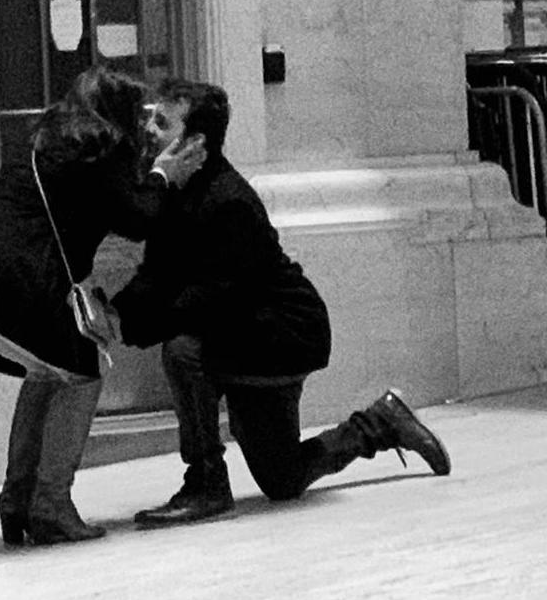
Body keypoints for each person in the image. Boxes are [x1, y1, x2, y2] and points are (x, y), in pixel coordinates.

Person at [110, 78, 451, 526]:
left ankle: (206, 482)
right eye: (150, 119)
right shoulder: (175, 189)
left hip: (281, 334)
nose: (149, 130)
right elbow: (157, 276)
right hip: (241, 332)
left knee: (183, 350)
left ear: (194, 141)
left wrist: (131, 329)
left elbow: (204, 300)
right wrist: (114, 316)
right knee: (282, 478)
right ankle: (381, 422)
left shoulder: (227, 201)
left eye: (162, 123)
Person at [0, 68, 205, 546]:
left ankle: (17, 499)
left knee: (49, 371)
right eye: (141, 115)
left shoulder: (48, 140)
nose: (145, 127)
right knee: (82, 371)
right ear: (119, 113)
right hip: (8, 276)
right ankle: (50, 505)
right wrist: (163, 176)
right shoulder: (104, 147)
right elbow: (138, 218)